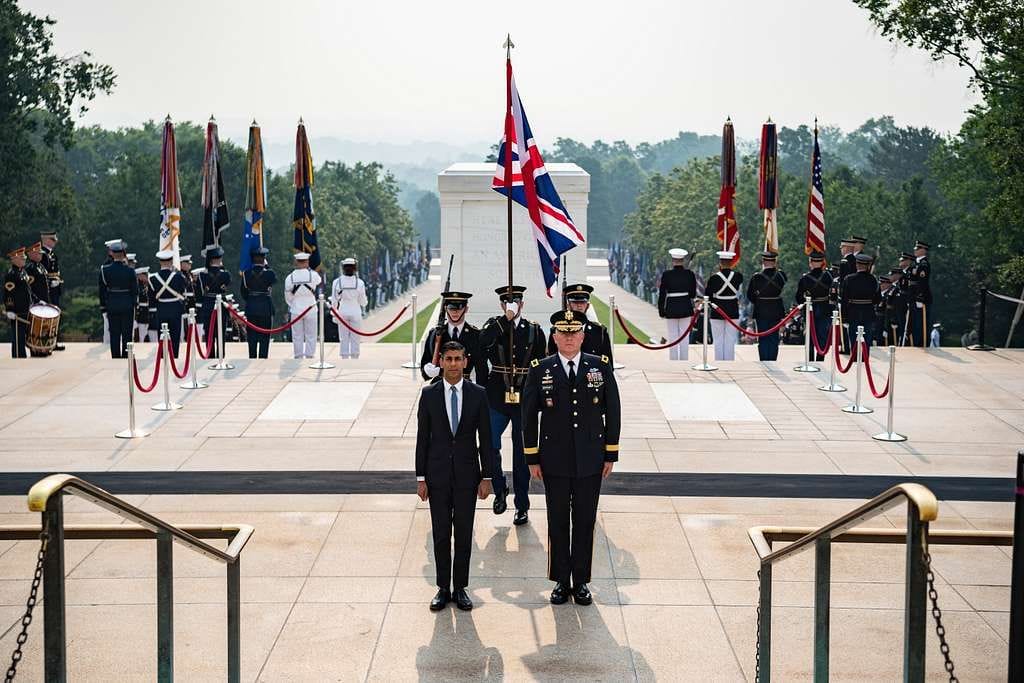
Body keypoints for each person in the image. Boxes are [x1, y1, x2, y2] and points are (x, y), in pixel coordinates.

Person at [522, 309, 620, 606]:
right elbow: (528, 416)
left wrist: (610, 453)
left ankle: (581, 581)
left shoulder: (599, 367)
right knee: (558, 520)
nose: (568, 338)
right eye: (562, 333)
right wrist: (532, 457)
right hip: (554, 458)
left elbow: (613, 411)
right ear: (554, 337)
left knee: (585, 520)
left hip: (591, 458)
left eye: (573, 332)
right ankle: (561, 580)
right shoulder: (541, 369)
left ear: (582, 335)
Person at [415, 341, 494, 612]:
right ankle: (441, 587)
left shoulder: (478, 394)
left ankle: (460, 587)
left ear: (465, 362)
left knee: (462, 533)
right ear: (442, 362)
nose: (452, 364)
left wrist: (487, 477)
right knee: (439, 535)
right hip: (436, 476)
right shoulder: (428, 395)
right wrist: (420, 478)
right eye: (447, 359)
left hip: (467, 475)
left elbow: (486, 439)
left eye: (457, 358)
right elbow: (422, 439)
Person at [478, 285, 547, 525]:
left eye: (515, 303)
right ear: (501, 305)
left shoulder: (535, 331)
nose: (511, 306)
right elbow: (480, 344)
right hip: (497, 396)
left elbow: (541, 367)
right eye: (507, 303)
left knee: (522, 453)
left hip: (524, 399)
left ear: (522, 305)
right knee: (489, 445)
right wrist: (504, 320)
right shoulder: (494, 326)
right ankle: (500, 488)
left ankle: (522, 506)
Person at [420, 291, 484, 383]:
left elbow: (481, 369)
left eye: (459, 307)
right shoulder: (435, 334)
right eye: (451, 308)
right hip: (440, 385)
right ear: (446, 308)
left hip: (465, 386)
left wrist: (480, 392)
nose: (455, 311)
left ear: (466, 309)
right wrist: (428, 371)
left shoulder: (475, 334)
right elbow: (425, 365)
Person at [547, 283, 613, 363]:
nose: (579, 306)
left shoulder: (599, 331)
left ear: (587, 306)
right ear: (568, 305)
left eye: (582, 302)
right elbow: (551, 361)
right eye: (575, 302)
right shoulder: (556, 330)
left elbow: (607, 364)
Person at [98, 241, 137, 359]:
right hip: (127, 305)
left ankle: (115, 356)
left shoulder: (105, 270)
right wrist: (134, 304)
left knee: (114, 333)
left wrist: (103, 307)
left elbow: (102, 291)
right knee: (127, 334)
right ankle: (126, 356)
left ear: (112, 254)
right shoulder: (130, 271)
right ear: (124, 254)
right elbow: (135, 291)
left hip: (112, 305)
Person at [657, 248, 697, 361]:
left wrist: (661, 310)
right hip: (685, 307)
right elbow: (693, 294)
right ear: (683, 260)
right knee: (684, 337)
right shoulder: (690, 274)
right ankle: (684, 359)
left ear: (673, 260)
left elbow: (662, 294)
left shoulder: (666, 275)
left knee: (673, 336)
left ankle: (673, 360)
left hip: (671, 308)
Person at [747, 251, 787, 361]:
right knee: (774, 338)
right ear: (775, 262)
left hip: (761, 310)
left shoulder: (756, 277)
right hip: (776, 310)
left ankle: (764, 360)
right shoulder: (781, 275)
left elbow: (750, 296)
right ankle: (773, 360)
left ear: (763, 262)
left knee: (763, 337)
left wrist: (759, 301)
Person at [795, 251, 833, 360]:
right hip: (825, 309)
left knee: (810, 337)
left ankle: (810, 360)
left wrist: (807, 301)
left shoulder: (805, 278)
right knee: (822, 336)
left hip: (810, 309)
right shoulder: (828, 277)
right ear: (822, 262)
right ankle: (820, 359)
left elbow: (798, 297)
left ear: (810, 262)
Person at [706, 250, 743, 361]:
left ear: (720, 263)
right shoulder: (738, 276)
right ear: (732, 263)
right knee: (730, 339)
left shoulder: (714, 278)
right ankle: (729, 362)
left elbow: (708, 295)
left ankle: (719, 361)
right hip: (732, 310)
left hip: (718, 309)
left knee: (718, 339)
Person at [841, 253, 880, 355]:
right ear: (867, 266)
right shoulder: (873, 279)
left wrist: (844, 317)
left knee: (854, 336)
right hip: (868, 311)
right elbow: (877, 299)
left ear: (857, 265)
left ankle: (854, 357)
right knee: (867, 337)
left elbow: (844, 299)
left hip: (853, 311)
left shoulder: (849, 279)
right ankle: (865, 356)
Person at [284, 252, 321, 359]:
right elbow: (319, 281)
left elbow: (288, 296)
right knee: (311, 334)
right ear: (307, 262)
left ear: (296, 262)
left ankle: (298, 355)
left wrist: (293, 304)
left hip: (296, 309)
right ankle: (310, 355)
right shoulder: (313, 275)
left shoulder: (290, 277)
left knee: (297, 335)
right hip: (311, 307)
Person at [241, 247, 277, 359]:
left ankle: (252, 357)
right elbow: (274, 280)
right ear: (264, 259)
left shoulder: (246, 274)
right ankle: (262, 358)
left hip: (251, 306)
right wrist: (266, 266)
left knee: (251, 336)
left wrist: (251, 300)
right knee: (265, 336)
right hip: (265, 307)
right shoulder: (269, 273)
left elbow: (243, 292)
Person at [151, 250, 188, 355]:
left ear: (159, 262)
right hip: (175, 308)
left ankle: (163, 357)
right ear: (171, 261)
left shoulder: (153, 278)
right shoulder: (178, 276)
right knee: (175, 336)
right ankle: (174, 356)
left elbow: (152, 297)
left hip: (161, 308)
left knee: (162, 335)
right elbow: (184, 286)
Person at [330, 257, 368, 358]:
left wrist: (334, 314)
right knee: (356, 338)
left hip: (342, 311)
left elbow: (334, 300)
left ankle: (344, 357)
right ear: (355, 268)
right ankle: (355, 357)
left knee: (343, 338)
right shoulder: (360, 282)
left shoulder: (337, 282)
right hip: (355, 311)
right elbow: (363, 302)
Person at [197, 246, 232, 353]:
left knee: (209, 331)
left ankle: (210, 353)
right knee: (221, 331)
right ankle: (221, 353)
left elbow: (199, 294)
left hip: (208, 304)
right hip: (221, 303)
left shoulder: (202, 275)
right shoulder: (226, 274)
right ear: (219, 259)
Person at [4, 247, 31, 358]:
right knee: (18, 337)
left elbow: (28, 291)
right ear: (14, 260)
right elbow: (8, 294)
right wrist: (10, 309)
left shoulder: (23, 272)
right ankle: (18, 358)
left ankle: (22, 356)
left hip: (25, 310)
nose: (24, 260)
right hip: (17, 312)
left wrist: (36, 301)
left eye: (24, 258)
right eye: (21, 258)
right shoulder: (11, 274)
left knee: (23, 337)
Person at [39, 231, 64, 350]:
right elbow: (41, 275)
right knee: (49, 317)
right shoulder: (43, 254)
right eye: (53, 239)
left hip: (55, 289)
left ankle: (54, 341)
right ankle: (48, 341)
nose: (55, 241)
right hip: (48, 291)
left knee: (56, 315)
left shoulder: (51, 254)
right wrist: (50, 283)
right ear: (46, 240)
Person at [906, 240, 932, 347]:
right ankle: (916, 343)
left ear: (923, 250)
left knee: (920, 323)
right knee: (915, 323)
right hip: (913, 296)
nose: (915, 250)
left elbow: (922, 283)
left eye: (917, 249)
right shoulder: (916, 263)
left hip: (920, 298)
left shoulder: (924, 264)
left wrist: (920, 298)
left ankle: (921, 343)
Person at [179, 254, 197, 342]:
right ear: (182, 264)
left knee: (190, 322)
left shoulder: (188, 274)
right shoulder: (181, 275)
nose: (190, 265)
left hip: (190, 302)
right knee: (183, 324)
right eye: (187, 263)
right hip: (184, 302)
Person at [135, 267, 153, 342]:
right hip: (141, 312)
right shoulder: (138, 286)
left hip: (148, 311)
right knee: (141, 334)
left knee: (148, 332)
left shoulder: (147, 285)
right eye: (145, 276)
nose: (146, 277)